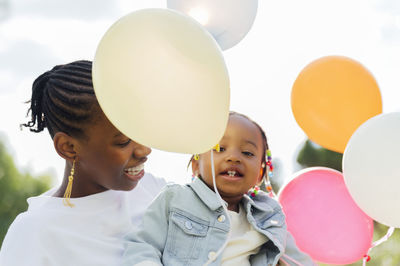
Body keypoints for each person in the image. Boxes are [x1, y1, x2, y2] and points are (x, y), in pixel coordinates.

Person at [0, 60, 166, 266]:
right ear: (68, 147)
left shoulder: (156, 193)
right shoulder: (34, 234)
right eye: (124, 142)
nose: (144, 150)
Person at [123, 111, 314, 266]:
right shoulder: (175, 199)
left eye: (247, 153)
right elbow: (143, 246)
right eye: (220, 149)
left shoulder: (268, 216)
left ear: (260, 174)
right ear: (197, 164)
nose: (233, 157)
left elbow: (298, 259)